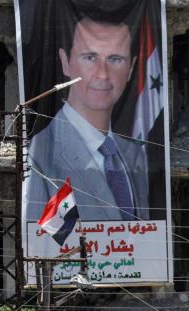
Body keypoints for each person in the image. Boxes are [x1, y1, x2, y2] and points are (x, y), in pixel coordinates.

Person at [26, 12, 149, 222]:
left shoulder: (135, 154)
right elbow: (40, 243)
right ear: (66, 62)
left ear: (130, 69)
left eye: (115, 59)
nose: (102, 73)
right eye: (90, 57)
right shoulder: (40, 152)